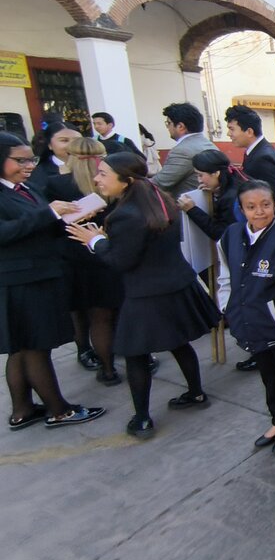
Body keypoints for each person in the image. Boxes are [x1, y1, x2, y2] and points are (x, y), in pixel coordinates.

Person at [66, 153, 221, 439]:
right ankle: (196, 394)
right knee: (179, 343)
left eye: (103, 173)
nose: (97, 178)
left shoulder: (126, 214)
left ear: (125, 181)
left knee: (136, 354)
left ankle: (142, 419)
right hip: (176, 285)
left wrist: (95, 241)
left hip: (146, 293)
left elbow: (120, 262)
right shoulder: (159, 199)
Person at [1, 132, 106, 431]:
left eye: (30, 159)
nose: (28, 165)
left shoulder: (26, 188)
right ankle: (59, 410)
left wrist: (74, 217)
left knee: (20, 348)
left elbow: (41, 226)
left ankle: (22, 410)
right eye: (19, 161)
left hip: (39, 273)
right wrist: (49, 212)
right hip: (20, 280)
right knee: (36, 346)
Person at [217, 180, 275, 455]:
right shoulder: (231, 235)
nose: (259, 212)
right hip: (249, 319)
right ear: (241, 209)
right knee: (267, 375)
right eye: (251, 207)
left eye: (266, 205)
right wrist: (227, 305)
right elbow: (225, 275)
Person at [49, 137, 123, 387]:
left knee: (89, 315)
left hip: (75, 259)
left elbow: (50, 227)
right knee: (115, 313)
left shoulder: (57, 184)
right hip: (108, 252)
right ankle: (136, 358)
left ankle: (107, 369)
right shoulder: (113, 182)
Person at [176, 149, 248, 241]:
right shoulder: (236, 183)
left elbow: (222, 234)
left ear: (216, 173)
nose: (199, 180)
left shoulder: (231, 197)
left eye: (200, 175)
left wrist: (192, 210)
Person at [153, 103, 216, 196]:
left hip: (189, 206)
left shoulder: (182, 151)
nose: (168, 127)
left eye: (168, 123)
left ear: (180, 126)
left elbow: (160, 183)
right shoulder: (208, 143)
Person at [225, 105, 275, 202]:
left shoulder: (263, 158)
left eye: (232, 129)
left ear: (249, 131)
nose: (228, 134)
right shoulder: (256, 151)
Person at [28, 120, 79, 198]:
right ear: (49, 145)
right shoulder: (39, 173)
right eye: (64, 140)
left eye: (77, 140)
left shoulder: (95, 165)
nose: (72, 145)